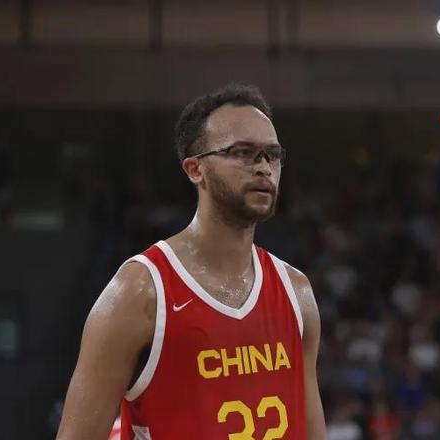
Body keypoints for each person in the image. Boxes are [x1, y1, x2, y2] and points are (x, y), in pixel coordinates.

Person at [57, 84, 326, 439]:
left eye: (271, 155)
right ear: (195, 169)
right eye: (243, 152)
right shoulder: (139, 292)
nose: (263, 167)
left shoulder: (297, 293)